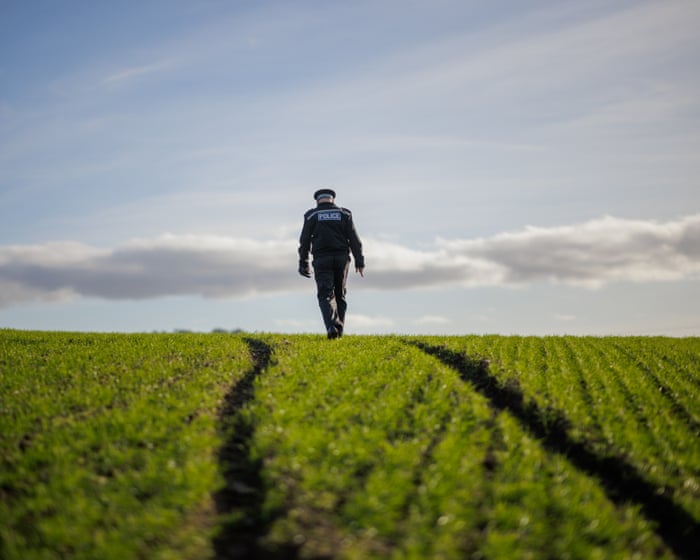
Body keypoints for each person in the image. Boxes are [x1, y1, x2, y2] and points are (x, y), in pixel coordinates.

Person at [298, 188, 365, 339]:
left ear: (317, 201)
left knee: (325, 294)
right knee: (340, 294)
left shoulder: (311, 215)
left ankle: (332, 326)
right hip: (342, 258)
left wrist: (303, 262)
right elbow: (354, 238)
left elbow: (304, 241)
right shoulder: (344, 214)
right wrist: (359, 261)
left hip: (322, 259)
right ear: (332, 199)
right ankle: (338, 332)